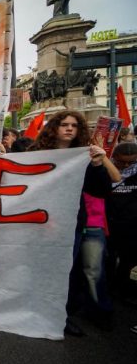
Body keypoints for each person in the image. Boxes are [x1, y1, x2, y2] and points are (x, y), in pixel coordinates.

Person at [28, 110, 111, 337]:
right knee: (40, 270)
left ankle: (60, 317)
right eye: (64, 124)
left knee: (65, 273)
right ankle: (34, 312)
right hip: (39, 222)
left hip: (71, 223)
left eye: (74, 126)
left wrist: (96, 165)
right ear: (54, 127)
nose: (69, 129)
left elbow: (100, 190)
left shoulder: (84, 156)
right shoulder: (36, 153)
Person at [106, 142, 137, 302]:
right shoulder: (104, 170)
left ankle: (122, 288)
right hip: (108, 224)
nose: (125, 166)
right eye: (121, 162)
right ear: (113, 158)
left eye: (131, 162)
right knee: (108, 260)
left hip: (131, 226)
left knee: (128, 260)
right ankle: (108, 289)